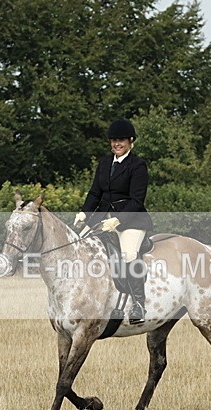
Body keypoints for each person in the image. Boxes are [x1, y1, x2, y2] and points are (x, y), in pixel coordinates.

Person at [75, 118, 152, 324]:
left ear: (130, 141)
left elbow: (137, 201)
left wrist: (118, 220)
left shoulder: (138, 166)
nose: (116, 144)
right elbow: (95, 193)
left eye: (121, 140)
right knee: (80, 246)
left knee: (128, 254)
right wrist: (84, 214)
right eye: (113, 140)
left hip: (132, 221)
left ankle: (138, 305)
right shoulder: (105, 163)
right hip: (103, 218)